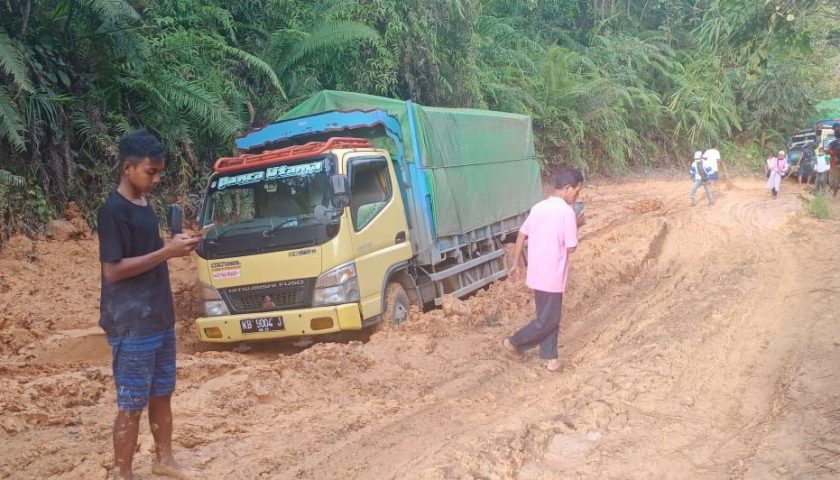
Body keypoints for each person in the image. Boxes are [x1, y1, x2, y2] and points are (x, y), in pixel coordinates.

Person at [98, 129, 201, 480]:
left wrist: (177, 245)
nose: (155, 179)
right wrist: (167, 252)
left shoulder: (144, 206)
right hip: (130, 321)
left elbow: (150, 256)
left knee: (162, 393)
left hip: (157, 317)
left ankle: (164, 460)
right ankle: (121, 472)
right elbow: (113, 271)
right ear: (128, 168)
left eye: (159, 172)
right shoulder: (113, 211)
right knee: (131, 403)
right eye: (150, 172)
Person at [502, 165, 583, 372]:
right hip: (552, 275)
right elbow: (571, 247)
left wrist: (515, 264)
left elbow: (521, 234)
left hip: (537, 273)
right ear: (567, 188)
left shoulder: (538, 207)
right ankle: (513, 343)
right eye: (576, 191)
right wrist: (576, 223)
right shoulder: (566, 212)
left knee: (548, 317)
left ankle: (551, 359)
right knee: (549, 320)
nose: (576, 196)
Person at [828, 123, 840, 197]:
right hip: (835, 163)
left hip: (835, 164)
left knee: (833, 181)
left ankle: (834, 192)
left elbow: (828, 151)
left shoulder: (832, 143)